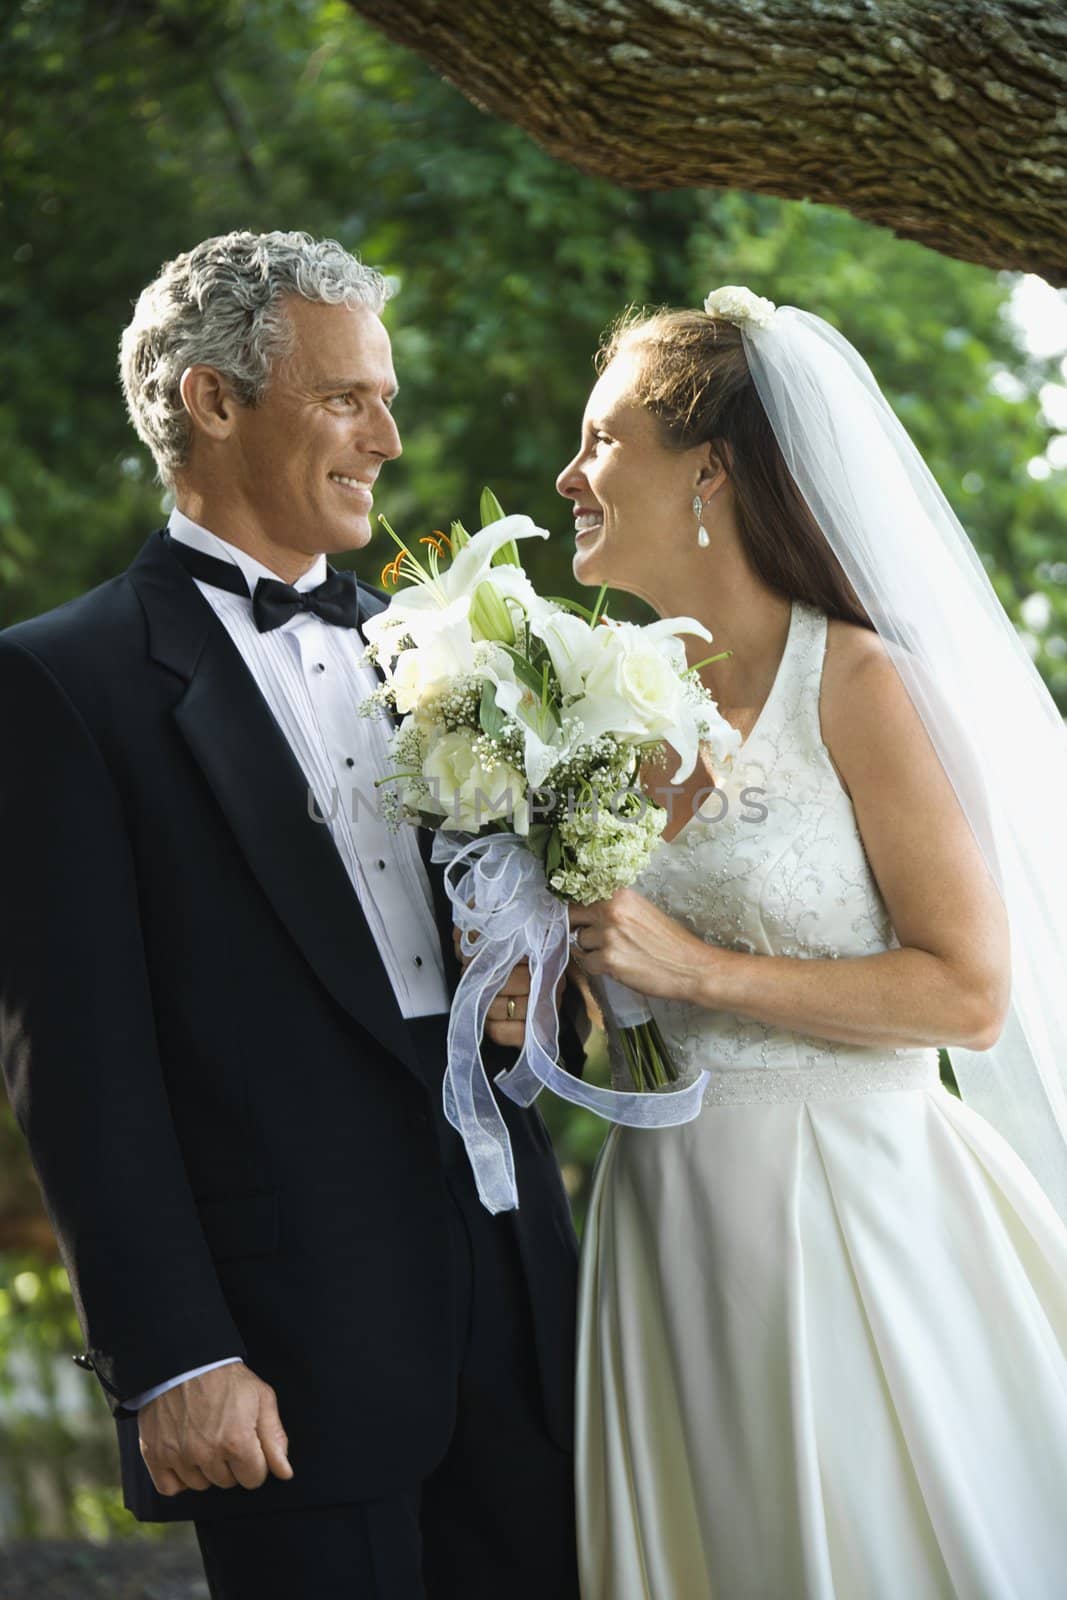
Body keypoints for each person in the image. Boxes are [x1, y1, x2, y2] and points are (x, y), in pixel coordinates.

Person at [0, 229, 583, 1600]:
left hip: (519, 1309)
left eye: (385, 397)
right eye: (345, 398)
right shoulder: (58, 687)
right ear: (213, 399)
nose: (387, 436)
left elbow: (522, 967)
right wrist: (176, 1358)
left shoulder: (450, 657)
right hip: (285, 1361)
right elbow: (77, 1065)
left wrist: (533, 993)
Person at [558, 289, 1067, 1598]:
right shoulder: (610, 711)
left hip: (853, 1207)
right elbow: (620, 986)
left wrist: (697, 971)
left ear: (709, 469)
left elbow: (967, 993)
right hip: (664, 1223)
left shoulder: (858, 682)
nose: (570, 475)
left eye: (603, 440)